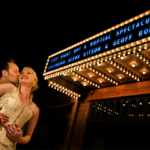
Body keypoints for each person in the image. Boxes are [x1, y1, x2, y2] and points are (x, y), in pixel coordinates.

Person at [0, 62, 40, 150]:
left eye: (28, 73)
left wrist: (19, 139)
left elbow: (28, 136)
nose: (23, 74)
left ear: (34, 80)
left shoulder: (35, 109)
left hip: (8, 147)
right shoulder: (9, 88)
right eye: (22, 73)